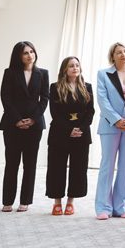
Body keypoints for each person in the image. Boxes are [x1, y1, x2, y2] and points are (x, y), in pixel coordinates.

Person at [0, 41, 49, 212]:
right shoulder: (10, 72)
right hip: (12, 124)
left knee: (30, 164)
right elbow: (5, 97)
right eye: (25, 53)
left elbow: (45, 99)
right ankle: (7, 201)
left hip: (35, 125)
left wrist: (33, 119)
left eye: (31, 52)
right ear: (18, 56)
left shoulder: (43, 73)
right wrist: (17, 120)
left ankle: (25, 201)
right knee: (11, 163)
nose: (29, 55)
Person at [95, 42, 125, 220]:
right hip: (110, 126)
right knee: (107, 166)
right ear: (112, 56)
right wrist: (116, 120)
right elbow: (102, 99)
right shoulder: (103, 74)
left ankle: (122, 206)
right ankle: (103, 207)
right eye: (118, 52)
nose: (123, 54)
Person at [45, 56, 95, 216]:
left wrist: (80, 128)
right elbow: (55, 113)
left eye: (77, 65)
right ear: (64, 69)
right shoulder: (55, 87)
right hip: (60, 133)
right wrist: (68, 130)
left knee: (78, 169)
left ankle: (70, 202)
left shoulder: (87, 87)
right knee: (56, 168)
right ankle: (57, 202)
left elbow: (90, 112)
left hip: (81, 134)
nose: (75, 68)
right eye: (71, 66)